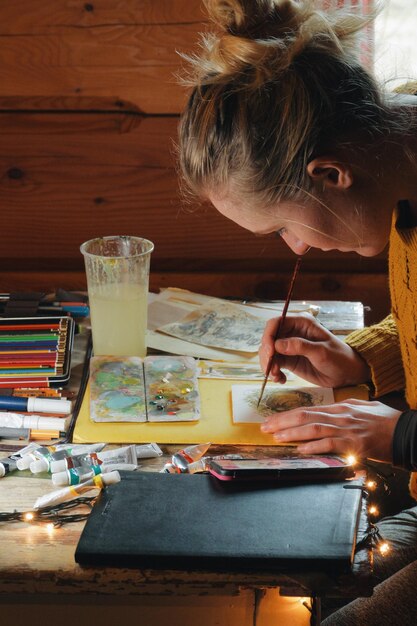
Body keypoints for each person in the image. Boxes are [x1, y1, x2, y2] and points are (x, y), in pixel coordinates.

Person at [178, 1, 417, 623]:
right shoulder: (405, 182)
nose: (299, 248)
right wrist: (361, 355)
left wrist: (400, 433)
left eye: (285, 225)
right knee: (304, 582)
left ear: (332, 173)